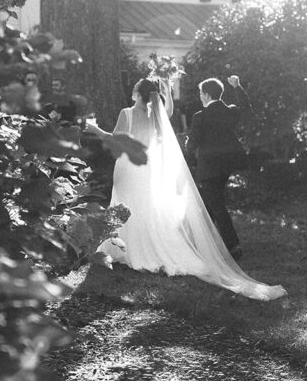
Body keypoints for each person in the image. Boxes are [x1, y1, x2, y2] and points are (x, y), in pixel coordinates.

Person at [88, 76, 285, 301]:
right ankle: (153, 244)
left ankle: (131, 247)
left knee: (131, 205)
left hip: (130, 168)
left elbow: (115, 140)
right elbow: (169, 112)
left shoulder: (127, 113)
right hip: (149, 170)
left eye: (134, 89)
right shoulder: (156, 116)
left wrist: (93, 128)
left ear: (137, 93)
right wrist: (169, 91)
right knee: (146, 206)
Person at [185, 75, 245, 259]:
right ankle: (200, 240)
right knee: (210, 201)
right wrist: (237, 87)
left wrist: (187, 143)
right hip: (227, 166)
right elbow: (245, 108)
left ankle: (233, 246)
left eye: (201, 93)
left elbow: (192, 145)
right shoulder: (230, 111)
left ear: (206, 95)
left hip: (209, 168)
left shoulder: (199, 117)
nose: (200, 97)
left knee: (217, 205)